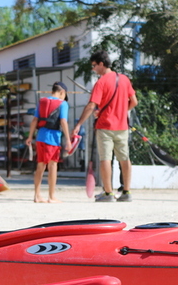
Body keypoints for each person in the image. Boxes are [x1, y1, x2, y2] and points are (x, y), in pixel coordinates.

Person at [72, 50, 138, 202]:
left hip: (105, 126)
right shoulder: (124, 79)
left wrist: (79, 124)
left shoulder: (101, 83)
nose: (93, 69)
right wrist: (122, 111)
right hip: (122, 126)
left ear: (102, 64)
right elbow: (134, 101)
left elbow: (91, 106)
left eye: (94, 66)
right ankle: (127, 192)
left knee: (105, 159)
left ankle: (108, 193)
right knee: (124, 158)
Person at [25, 82, 72, 203]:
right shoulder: (63, 104)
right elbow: (63, 121)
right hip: (53, 138)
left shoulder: (42, 102)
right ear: (62, 92)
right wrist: (68, 139)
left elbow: (35, 120)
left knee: (40, 165)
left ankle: (37, 195)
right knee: (52, 166)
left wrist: (30, 136)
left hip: (40, 137)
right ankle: (51, 196)